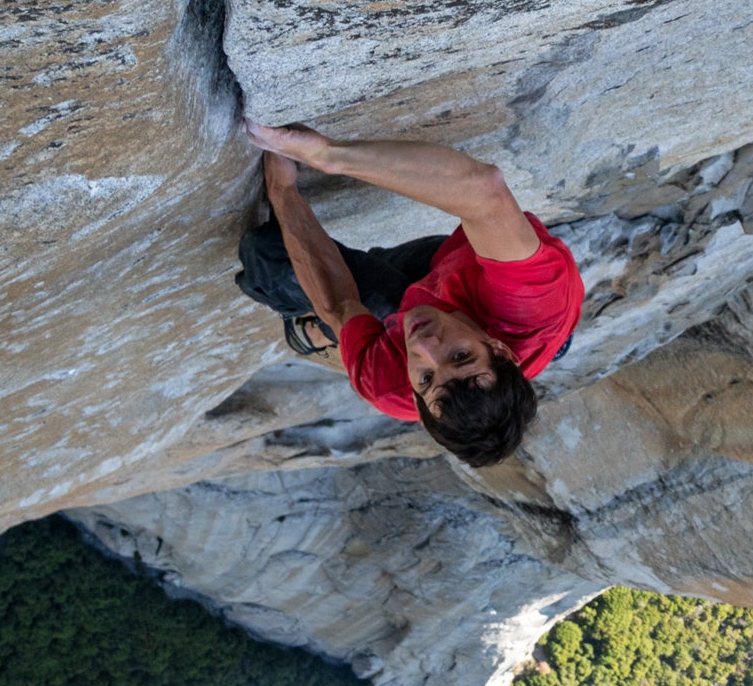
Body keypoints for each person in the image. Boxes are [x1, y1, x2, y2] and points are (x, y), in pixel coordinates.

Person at [234, 121, 582, 467]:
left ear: (416, 399)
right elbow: (484, 192)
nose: (425, 346)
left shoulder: (390, 386)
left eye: (427, 379)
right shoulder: (529, 305)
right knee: (396, 275)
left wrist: (282, 190)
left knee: (267, 257)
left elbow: (339, 305)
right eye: (460, 355)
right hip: (472, 284)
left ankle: (318, 333)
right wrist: (327, 155)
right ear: (499, 349)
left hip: (448, 297)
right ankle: (553, 344)